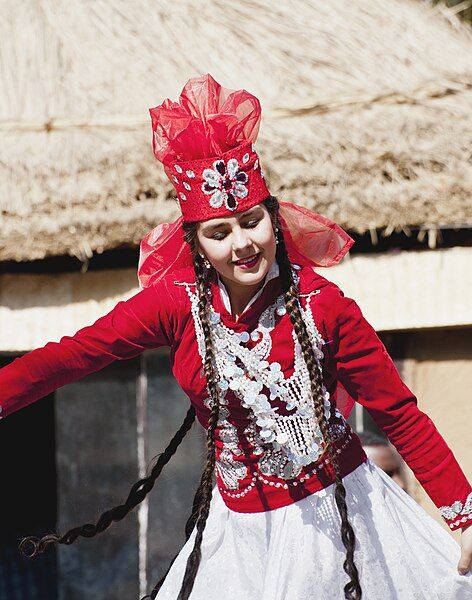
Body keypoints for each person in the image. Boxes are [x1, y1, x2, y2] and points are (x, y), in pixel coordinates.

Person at [1, 74, 471, 600]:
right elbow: (73, 356)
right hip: (240, 540)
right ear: (196, 243)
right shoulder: (175, 306)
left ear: (274, 218)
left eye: (252, 222)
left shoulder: (326, 307)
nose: (243, 245)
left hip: (343, 520)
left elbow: (399, 412)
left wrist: (464, 513)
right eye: (219, 233)